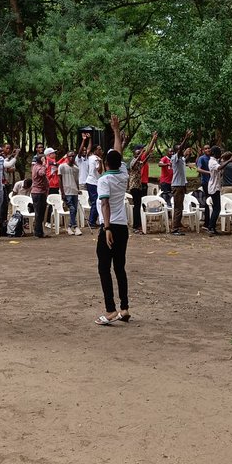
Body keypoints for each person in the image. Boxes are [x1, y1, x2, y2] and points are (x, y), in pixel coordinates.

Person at [94, 116, 132, 325]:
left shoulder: (104, 180)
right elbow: (117, 152)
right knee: (120, 268)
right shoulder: (123, 174)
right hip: (123, 228)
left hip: (110, 227)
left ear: (105, 163)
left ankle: (110, 310)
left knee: (103, 268)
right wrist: (116, 130)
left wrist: (106, 228)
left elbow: (104, 204)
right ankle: (124, 308)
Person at [128, 133, 157, 233]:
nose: (140, 152)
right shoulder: (133, 162)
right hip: (134, 186)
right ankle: (136, 226)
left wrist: (148, 155)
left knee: (139, 205)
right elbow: (136, 163)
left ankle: (139, 224)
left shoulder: (140, 162)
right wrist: (142, 153)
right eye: (138, 151)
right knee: (137, 205)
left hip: (139, 186)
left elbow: (143, 161)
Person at [77, 133, 101, 229]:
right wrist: (83, 140)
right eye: (83, 150)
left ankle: (92, 220)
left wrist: (90, 139)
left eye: (85, 150)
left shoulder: (89, 158)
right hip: (82, 183)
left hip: (89, 181)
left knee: (93, 202)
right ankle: (89, 221)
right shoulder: (78, 159)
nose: (84, 151)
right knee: (91, 202)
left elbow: (89, 149)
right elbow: (80, 151)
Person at [168, 132, 190, 235]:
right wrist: (185, 137)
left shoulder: (181, 159)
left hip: (181, 185)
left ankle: (177, 224)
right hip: (177, 186)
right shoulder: (175, 158)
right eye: (180, 149)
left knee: (180, 207)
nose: (182, 149)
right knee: (178, 207)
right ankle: (174, 229)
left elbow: (185, 158)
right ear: (177, 150)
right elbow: (181, 148)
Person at [57, 153, 81, 235]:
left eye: (73, 156)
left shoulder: (76, 169)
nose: (71, 157)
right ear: (67, 157)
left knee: (74, 210)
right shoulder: (62, 166)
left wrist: (78, 189)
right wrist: (62, 192)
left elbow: (76, 180)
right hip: (66, 192)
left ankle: (69, 227)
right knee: (72, 209)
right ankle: (75, 227)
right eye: (69, 156)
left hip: (74, 191)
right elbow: (59, 179)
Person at [30, 153, 49, 238]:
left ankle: (40, 231)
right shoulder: (38, 167)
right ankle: (37, 232)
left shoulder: (37, 166)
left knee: (41, 213)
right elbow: (42, 173)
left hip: (42, 192)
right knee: (38, 213)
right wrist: (44, 164)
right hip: (37, 193)